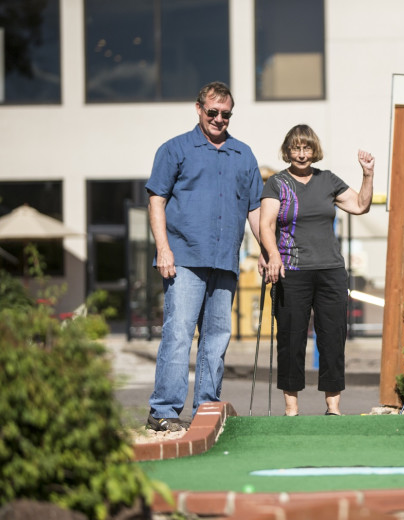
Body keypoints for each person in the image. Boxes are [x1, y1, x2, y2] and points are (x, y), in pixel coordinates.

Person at [145, 81, 266, 431]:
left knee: (217, 338)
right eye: (212, 112)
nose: (218, 119)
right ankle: (164, 411)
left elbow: (255, 210)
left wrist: (266, 250)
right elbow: (156, 201)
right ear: (198, 108)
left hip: (224, 261)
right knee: (179, 334)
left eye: (225, 114)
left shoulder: (244, 155)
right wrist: (163, 248)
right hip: (183, 258)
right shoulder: (175, 149)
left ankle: (206, 409)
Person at [260, 124, 374, 416]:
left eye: (306, 148)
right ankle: (291, 407)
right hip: (292, 272)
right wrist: (273, 255)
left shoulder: (328, 180)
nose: (301, 154)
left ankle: (333, 407)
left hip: (331, 271)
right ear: (288, 151)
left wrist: (367, 174)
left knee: (333, 337)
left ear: (315, 150)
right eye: (296, 148)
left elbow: (361, 206)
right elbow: (266, 224)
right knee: (290, 337)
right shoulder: (277, 183)